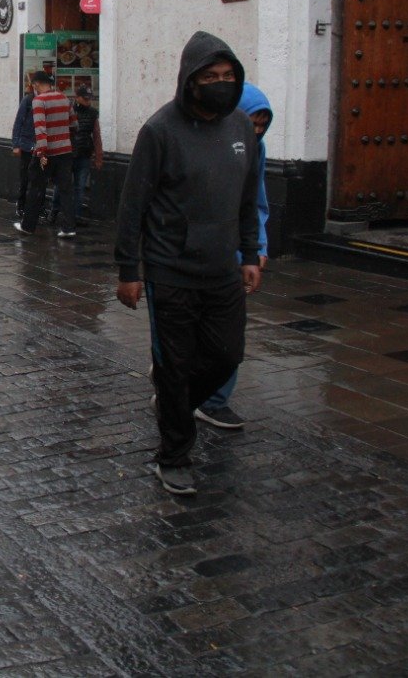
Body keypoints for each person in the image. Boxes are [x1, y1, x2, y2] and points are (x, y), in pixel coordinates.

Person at [114, 31, 262, 496]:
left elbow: (248, 197)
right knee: (177, 365)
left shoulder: (241, 128)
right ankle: (174, 455)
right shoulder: (160, 131)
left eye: (228, 75)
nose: (221, 83)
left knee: (225, 355)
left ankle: (174, 401)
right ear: (190, 80)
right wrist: (128, 271)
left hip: (222, 269)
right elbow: (132, 205)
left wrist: (251, 253)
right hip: (170, 270)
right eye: (210, 76)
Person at [195, 82, 273, 430]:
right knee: (186, 330)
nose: (255, 131)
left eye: (262, 125)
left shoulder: (257, 149)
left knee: (228, 334)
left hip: (234, 254)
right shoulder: (197, 140)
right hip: (191, 252)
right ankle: (175, 384)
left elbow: (256, 202)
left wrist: (258, 249)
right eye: (251, 122)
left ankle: (214, 400)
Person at [15, 72, 77, 238]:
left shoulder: (39, 101)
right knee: (65, 190)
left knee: (36, 188)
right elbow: (74, 124)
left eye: (34, 85)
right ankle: (69, 227)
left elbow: (40, 129)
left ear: (36, 84)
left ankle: (28, 226)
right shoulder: (65, 98)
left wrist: (42, 153)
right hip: (65, 151)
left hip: (47, 152)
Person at [51, 86, 104, 226]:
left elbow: (96, 135)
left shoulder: (93, 113)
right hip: (67, 154)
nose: (88, 102)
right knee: (62, 185)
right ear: (77, 97)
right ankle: (54, 210)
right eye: (85, 99)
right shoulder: (68, 110)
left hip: (84, 154)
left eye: (90, 99)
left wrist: (98, 156)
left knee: (79, 187)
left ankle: (76, 215)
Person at [10, 81, 36, 218]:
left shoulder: (45, 100)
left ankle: (38, 207)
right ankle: (21, 205)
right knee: (25, 178)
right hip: (27, 144)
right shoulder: (28, 100)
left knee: (38, 179)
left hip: (40, 145)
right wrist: (16, 144)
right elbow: (19, 121)